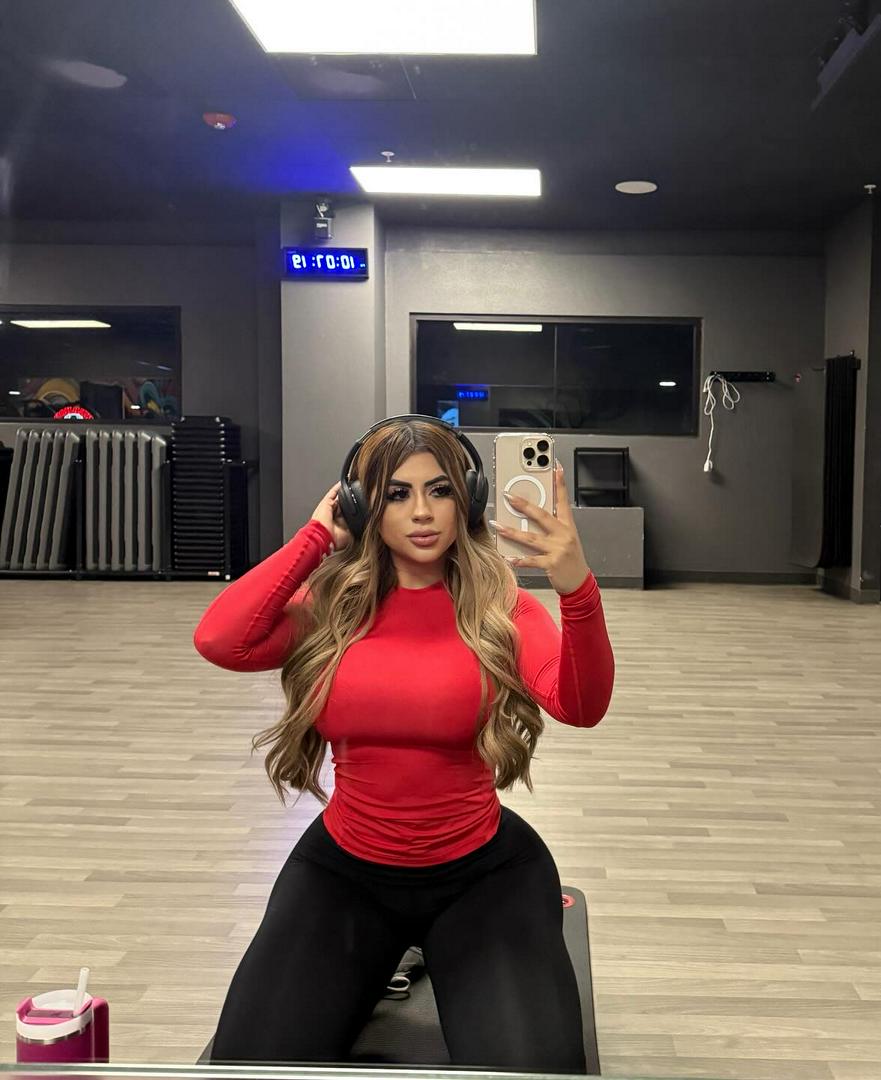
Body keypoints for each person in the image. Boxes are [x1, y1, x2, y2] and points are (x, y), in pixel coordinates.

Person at [192, 416, 615, 1072]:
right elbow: (221, 640)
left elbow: (580, 707)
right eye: (396, 494)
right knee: (250, 1068)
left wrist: (577, 590)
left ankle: (429, 951)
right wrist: (315, 538)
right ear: (361, 505)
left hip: (482, 877)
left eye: (439, 490)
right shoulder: (330, 608)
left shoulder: (499, 607)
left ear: (466, 500)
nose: (421, 512)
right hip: (346, 872)